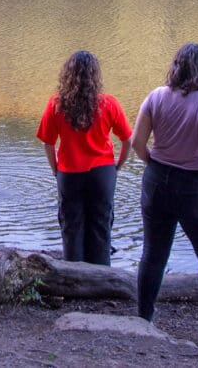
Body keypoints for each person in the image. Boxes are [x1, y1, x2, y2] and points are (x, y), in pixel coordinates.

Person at [131, 43, 198, 345]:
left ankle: (144, 320)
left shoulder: (156, 96)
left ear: (175, 67)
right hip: (195, 185)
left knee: (153, 254)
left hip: (157, 179)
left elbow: (137, 142)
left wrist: (155, 165)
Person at [36, 50, 131, 266]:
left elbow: (48, 143)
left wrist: (55, 169)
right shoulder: (109, 104)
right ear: (95, 76)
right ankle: (101, 277)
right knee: (101, 226)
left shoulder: (56, 105)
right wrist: (117, 167)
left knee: (71, 226)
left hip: (69, 173)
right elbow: (128, 140)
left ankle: (74, 279)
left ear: (67, 75)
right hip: (103, 172)